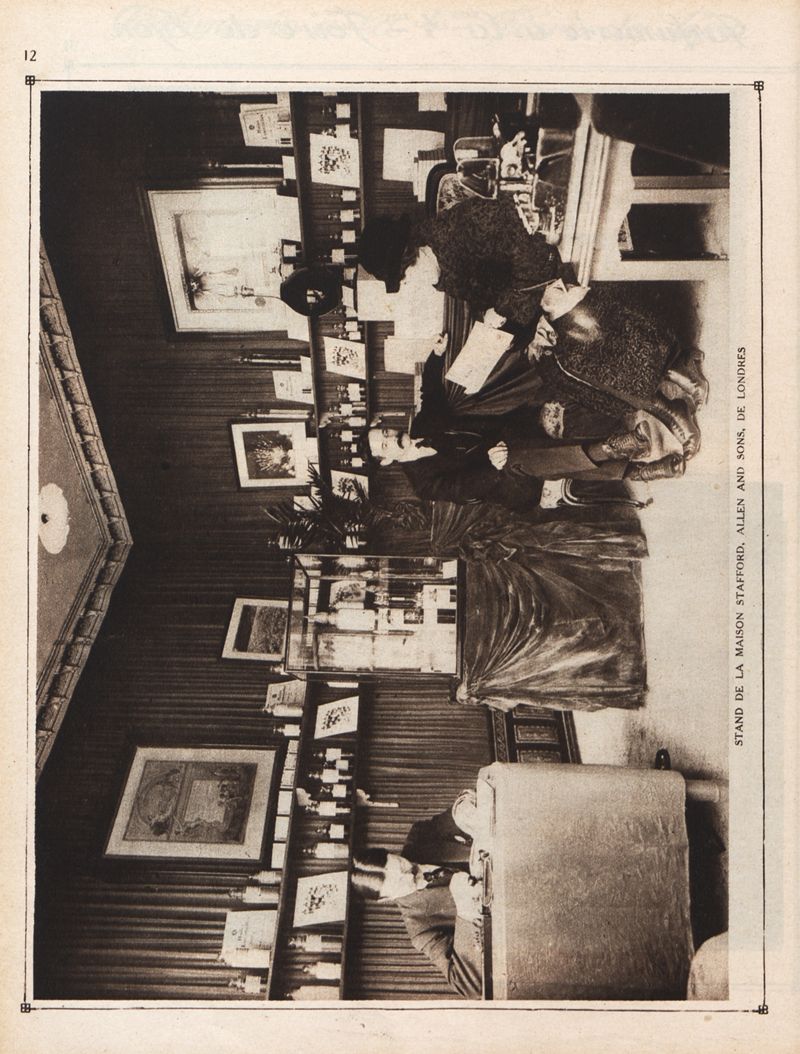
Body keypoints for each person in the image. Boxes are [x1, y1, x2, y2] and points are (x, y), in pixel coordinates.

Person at [365, 338, 677, 511]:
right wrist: (493, 465)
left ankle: (638, 467)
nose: (392, 436)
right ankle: (611, 448)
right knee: (523, 459)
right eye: (384, 444)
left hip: (510, 432)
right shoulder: (423, 484)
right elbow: (464, 488)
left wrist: (435, 356)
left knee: (544, 386)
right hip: (506, 480)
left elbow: (430, 392)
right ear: (386, 460)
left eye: (386, 431)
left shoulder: (423, 424)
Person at [351, 792, 484, 998]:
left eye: (400, 865)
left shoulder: (420, 835)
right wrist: (466, 912)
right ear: (386, 899)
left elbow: (457, 811)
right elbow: (470, 987)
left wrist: (465, 810)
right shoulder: (421, 929)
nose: (408, 875)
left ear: (390, 853)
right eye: (398, 882)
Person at [357, 197, 561, 330]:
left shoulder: (464, 223)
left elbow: (534, 250)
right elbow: (482, 299)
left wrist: (504, 310)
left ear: (409, 252)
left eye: (405, 278)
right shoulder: (441, 273)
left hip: (559, 258)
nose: (411, 284)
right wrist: (490, 319)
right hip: (543, 302)